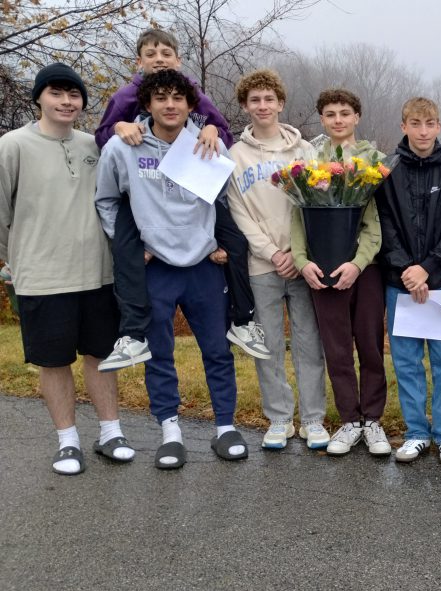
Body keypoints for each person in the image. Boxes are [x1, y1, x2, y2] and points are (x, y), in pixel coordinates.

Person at [95, 69, 247, 468]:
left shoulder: (207, 144)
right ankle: (170, 431)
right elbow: (107, 201)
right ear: (147, 104)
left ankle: (225, 428)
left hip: (203, 267)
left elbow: (228, 201)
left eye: (178, 98)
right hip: (155, 269)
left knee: (217, 350)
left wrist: (220, 243)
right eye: (160, 97)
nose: (170, 104)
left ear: (190, 105)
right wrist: (130, 248)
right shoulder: (123, 146)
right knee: (158, 353)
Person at [94, 28, 269, 371]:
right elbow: (101, 136)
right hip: (143, 190)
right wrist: (118, 128)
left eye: (166, 54)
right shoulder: (126, 95)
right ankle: (132, 335)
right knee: (127, 248)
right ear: (139, 62)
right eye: (151, 54)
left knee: (235, 239)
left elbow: (221, 131)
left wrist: (211, 130)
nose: (159, 60)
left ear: (179, 60)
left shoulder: (191, 91)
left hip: (195, 185)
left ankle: (243, 320)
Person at [0, 63, 131, 475]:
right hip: (42, 276)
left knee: (101, 354)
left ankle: (111, 433)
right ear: (39, 97)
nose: (66, 101)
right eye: (57, 93)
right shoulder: (12, 145)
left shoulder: (95, 145)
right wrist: (18, 258)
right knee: (53, 361)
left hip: (97, 273)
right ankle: (68, 441)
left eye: (74, 95)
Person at [226, 69, 328, 451]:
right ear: (245, 106)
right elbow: (238, 213)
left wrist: (296, 254)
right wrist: (271, 252)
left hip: (302, 265)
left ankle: (314, 419)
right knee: (267, 344)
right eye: (255, 100)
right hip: (261, 266)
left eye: (269, 99)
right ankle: (280, 418)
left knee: (308, 342)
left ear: (281, 103)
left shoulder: (306, 152)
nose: (263, 105)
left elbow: (316, 205)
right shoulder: (234, 156)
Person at [292, 88, 391, 458]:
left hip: (364, 269)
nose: (338, 119)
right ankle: (349, 420)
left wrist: (359, 262)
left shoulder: (374, 161)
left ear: (356, 117)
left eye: (344, 113)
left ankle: (373, 420)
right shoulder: (308, 163)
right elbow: (297, 216)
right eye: (330, 113)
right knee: (336, 349)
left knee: (369, 344)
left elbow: (374, 222)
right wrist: (302, 262)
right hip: (323, 269)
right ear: (321, 118)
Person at [376, 97, 441, 467]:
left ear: (439, 127)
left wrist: (427, 269)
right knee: (406, 361)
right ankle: (416, 433)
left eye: (429, 123)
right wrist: (407, 270)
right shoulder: (388, 170)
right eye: (415, 123)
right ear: (403, 126)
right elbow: (384, 224)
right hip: (399, 283)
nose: (422, 131)